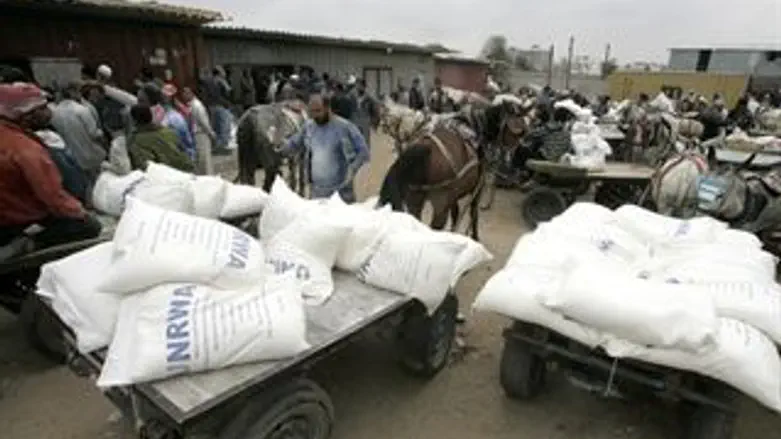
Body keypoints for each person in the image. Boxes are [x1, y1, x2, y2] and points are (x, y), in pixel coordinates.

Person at [0, 83, 101, 249]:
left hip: (7, 219)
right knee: (89, 226)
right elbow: (52, 196)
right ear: (27, 115)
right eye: (43, 108)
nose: (49, 112)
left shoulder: (9, 136)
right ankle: (30, 243)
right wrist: (81, 213)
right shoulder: (24, 148)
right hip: (22, 219)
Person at [281, 93, 369, 202]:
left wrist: (353, 169)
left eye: (318, 111)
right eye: (311, 112)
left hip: (341, 194)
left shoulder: (345, 127)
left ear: (327, 108)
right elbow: (293, 144)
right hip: (317, 193)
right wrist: (280, 147)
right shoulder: (309, 127)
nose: (314, 115)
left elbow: (363, 151)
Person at [49, 82, 106, 184]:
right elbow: (95, 134)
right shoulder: (82, 110)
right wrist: (104, 141)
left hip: (74, 159)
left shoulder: (54, 114)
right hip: (92, 155)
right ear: (73, 93)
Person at [126, 104, 194, 172]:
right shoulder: (169, 131)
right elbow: (183, 151)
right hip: (187, 172)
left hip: (166, 175)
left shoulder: (136, 141)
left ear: (134, 120)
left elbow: (147, 168)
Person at [182, 86, 216, 175]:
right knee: (200, 160)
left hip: (202, 134)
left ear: (191, 94)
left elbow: (203, 122)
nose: (184, 95)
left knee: (204, 160)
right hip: (196, 135)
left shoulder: (197, 105)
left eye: (186, 93)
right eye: (183, 93)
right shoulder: (191, 105)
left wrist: (211, 133)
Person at [159, 84, 196, 162]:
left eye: (167, 96)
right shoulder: (163, 109)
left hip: (182, 137)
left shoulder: (180, 108)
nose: (165, 98)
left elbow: (189, 121)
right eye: (164, 96)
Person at [351, 79, 380, 149]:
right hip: (355, 119)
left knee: (365, 140)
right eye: (357, 86)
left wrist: (374, 122)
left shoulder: (370, 98)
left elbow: (375, 110)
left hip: (365, 119)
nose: (358, 87)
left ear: (364, 86)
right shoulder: (352, 96)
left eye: (359, 86)